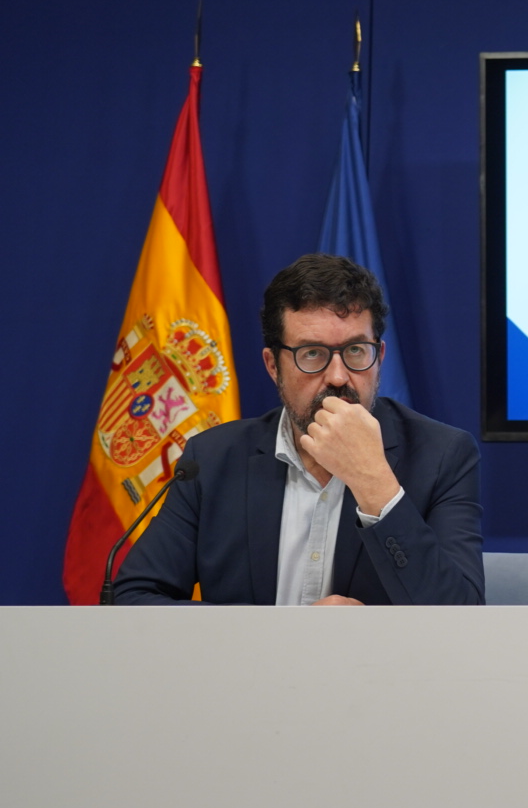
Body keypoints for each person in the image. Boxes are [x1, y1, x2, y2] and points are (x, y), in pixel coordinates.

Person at [115, 254, 484, 605]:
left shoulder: (441, 457)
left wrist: (374, 481)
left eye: (356, 351)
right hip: (252, 671)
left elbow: (462, 617)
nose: (338, 377)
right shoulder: (211, 461)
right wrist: (276, 636)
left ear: (380, 357)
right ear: (273, 366)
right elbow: (134, 597)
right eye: (311, 354)